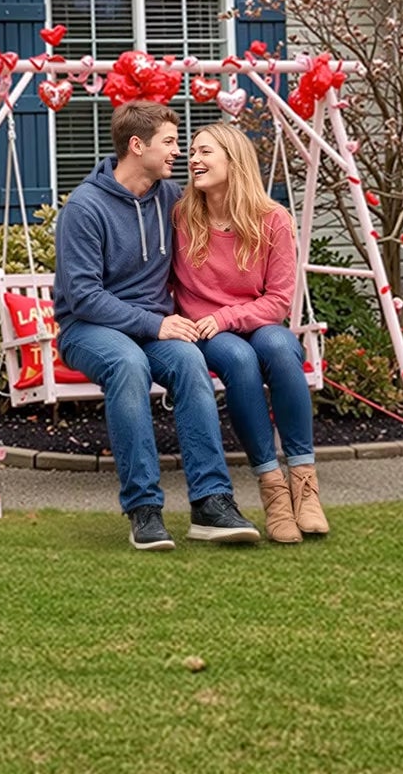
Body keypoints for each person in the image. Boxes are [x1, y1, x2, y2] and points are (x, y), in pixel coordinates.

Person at [54, 100, 260, 551]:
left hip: (153, 327)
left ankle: (211, 502)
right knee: (127, 364)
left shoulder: (172, 199)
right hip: (88, 328)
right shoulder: (85, 208)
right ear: (136, 146)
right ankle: (143, 508)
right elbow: (85, 297)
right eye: (168, 142)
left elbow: (229, 215)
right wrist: (157, 323)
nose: (178, 152)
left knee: (188, 362)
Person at [171, 121, 329, 544]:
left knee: (281, 347)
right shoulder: (182, 215)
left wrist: (228, 317)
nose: (194, 159)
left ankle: (305, 484)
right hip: (205, 331)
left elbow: (279, 300)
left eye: (205, 152)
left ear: (232, 159)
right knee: (239, 360)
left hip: (251, 321)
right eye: (192, 151)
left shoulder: (272, 219)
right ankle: (273, 491)